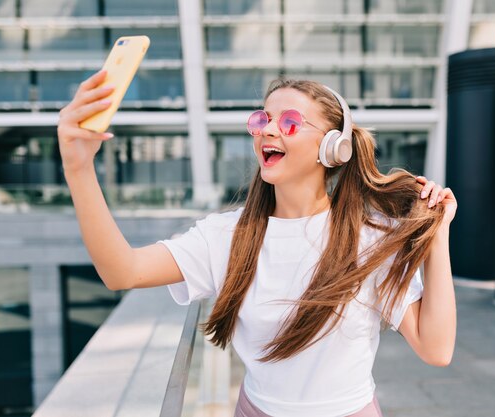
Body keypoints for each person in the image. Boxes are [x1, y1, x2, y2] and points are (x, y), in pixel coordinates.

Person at [57, 70, 457, 417]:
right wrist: (78, 168)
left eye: (289, 122)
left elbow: (435, 349)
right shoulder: (228, 237)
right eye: (263, 118)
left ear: (333, 148)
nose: (267, 129)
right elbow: (121, 271)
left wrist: (437, 237)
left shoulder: (370, 236)